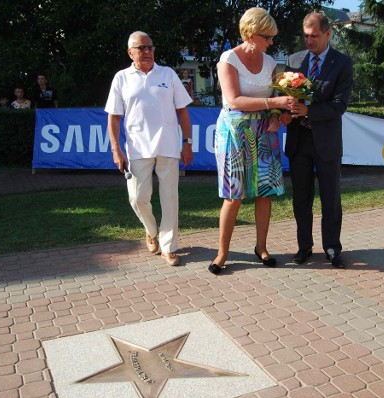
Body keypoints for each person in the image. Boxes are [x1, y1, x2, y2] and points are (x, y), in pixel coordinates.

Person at [208, 7, 295, 275]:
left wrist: (279, 113)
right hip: (234, 130)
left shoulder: (270, 63)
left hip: (264, 131)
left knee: (264, 192)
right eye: (267, 37)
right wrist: (275, 102)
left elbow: (276, 100)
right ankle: (222, 253)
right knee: (233, 196)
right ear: (251, 33)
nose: (271, 42)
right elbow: (234, 99)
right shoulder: (228, 59)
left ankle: (262, 247)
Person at [105, 31, 194, 266]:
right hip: (136, 148)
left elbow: (182, 111)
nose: (146, 52)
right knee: (137, 198)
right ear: (130, 52)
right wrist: (116, 149)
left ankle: (169, 247)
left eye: (150, 47)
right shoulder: (121, 78)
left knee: (170, 198)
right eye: (141, 48)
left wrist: (188, 142)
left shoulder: (168, 74)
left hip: (168, 146)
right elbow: (113, 118)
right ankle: (151, 230)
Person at [280, 11, 353, 269]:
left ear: (327, 34)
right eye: (306, 36)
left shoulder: (343, 63)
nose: (309, 41)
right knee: (301, 198)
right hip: (299, 141)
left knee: (330, 198)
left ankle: (332, 248)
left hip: (327, 142)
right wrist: (286, 113)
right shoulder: (294, 60)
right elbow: (288, 97)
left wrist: (309, 111)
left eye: (314, 36)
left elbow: (339, 105)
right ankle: (304, 247)